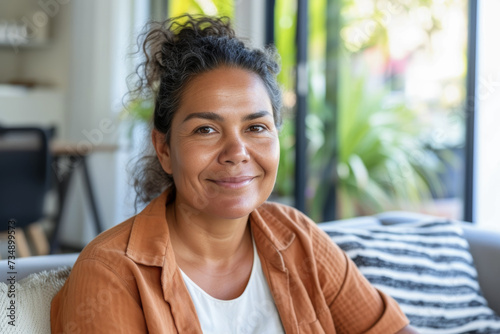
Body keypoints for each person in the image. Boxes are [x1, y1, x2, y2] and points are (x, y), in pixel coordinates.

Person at [51, 14, 418, 333]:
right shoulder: (110, 274)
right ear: (164, 148)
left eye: (256, 127)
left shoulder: (296, 236)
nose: (236, 153)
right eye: (206, 130)